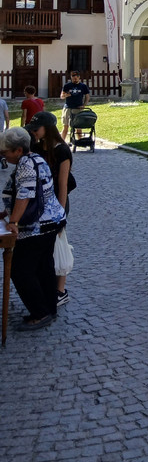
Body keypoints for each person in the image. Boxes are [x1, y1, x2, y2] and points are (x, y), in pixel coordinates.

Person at [1, 127, 65, 331]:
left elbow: (25, 195)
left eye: (6, 152)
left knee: (21, 270)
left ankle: (40, 312)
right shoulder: (36, 158)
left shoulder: (26, 166)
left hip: (37, 227)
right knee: (43, 267)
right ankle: (49, 308)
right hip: (50, 222)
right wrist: (6, 214)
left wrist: (13, 222)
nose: (4, 155)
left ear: (18, 150)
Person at [27, 111, 75, 305]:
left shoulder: (62, 150)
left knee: (60, 243)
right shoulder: (37, 148)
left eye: (36, 129)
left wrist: (60, 213)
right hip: (40, 203)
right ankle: (47, 285)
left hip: (57, 203)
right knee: (44, 246)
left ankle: (60, 290)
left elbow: (62, 183)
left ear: (47, 129)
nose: (33, 132)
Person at [60, 70, 91, 141]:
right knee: (65, 127)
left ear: (79, 77)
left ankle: (80, 141)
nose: (75, 78)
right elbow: (61, 96)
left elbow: (87, 96)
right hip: (68, 107)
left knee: (78, 127)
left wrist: (84, 105)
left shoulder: (83, 86)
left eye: (76, 76)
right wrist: (66, 95)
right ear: (71, 77)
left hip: (78, 108)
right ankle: (61, 142)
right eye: (73, 76)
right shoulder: (67, 85)